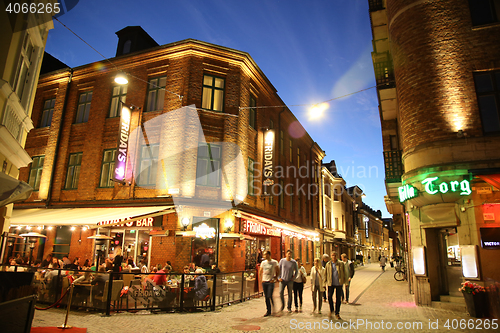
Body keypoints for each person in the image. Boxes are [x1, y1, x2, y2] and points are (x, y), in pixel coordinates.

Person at [324, 252, 345, 320]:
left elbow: (344, 272)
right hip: (331, 283)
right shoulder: (328, 264)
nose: (333, 257)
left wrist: (345, 281)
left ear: (336, 256)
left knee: (338, 298)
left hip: (339, 283)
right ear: (331, 256)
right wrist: (324, 283)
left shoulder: (341, 264)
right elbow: (325, 274)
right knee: (329, 296)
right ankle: (332, 309)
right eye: (332, 255)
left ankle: (337, 312)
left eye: (335, 256)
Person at [259, 250, 279, 317]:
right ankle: (268, 310)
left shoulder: (274, 262)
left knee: (269, 295)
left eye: (265, 254)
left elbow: (278, 270)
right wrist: (261, 279)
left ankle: (273, 307)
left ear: (268, 255)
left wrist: (275, 278)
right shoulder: (263, 263)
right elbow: (260, 271)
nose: (264, 256)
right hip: (264, 281)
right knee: (266, 297)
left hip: (271, 281)